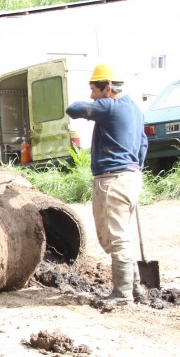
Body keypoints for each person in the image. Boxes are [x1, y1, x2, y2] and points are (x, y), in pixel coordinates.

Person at [66, 63, 148, 305]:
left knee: (114, 237)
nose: (92, 95)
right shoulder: (134, 108)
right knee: (120, 234)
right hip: (131, 176)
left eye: (94, 89)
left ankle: (122, 294)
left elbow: (73, 109)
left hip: (113, 179)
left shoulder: (111, 107)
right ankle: (134, 288)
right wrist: (134, 169)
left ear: (108, 88)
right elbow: (143, 144)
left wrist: (96, 105)